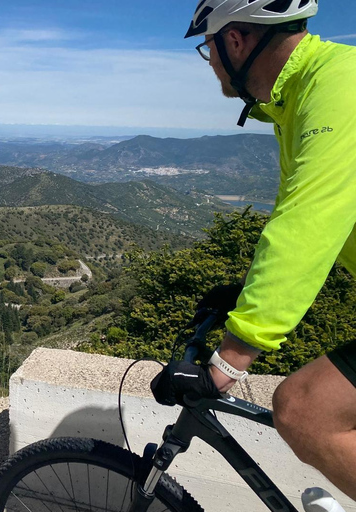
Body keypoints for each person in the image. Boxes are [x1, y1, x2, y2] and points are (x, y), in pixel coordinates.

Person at [152, 0, 356, 501]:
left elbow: (308, 223)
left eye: (209, 49)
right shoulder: (307, 91)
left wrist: (231, 358)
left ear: (236, 40)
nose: (213, 64)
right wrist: (246, 291)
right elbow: (306, 222)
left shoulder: (339, 86)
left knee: (304, 410)